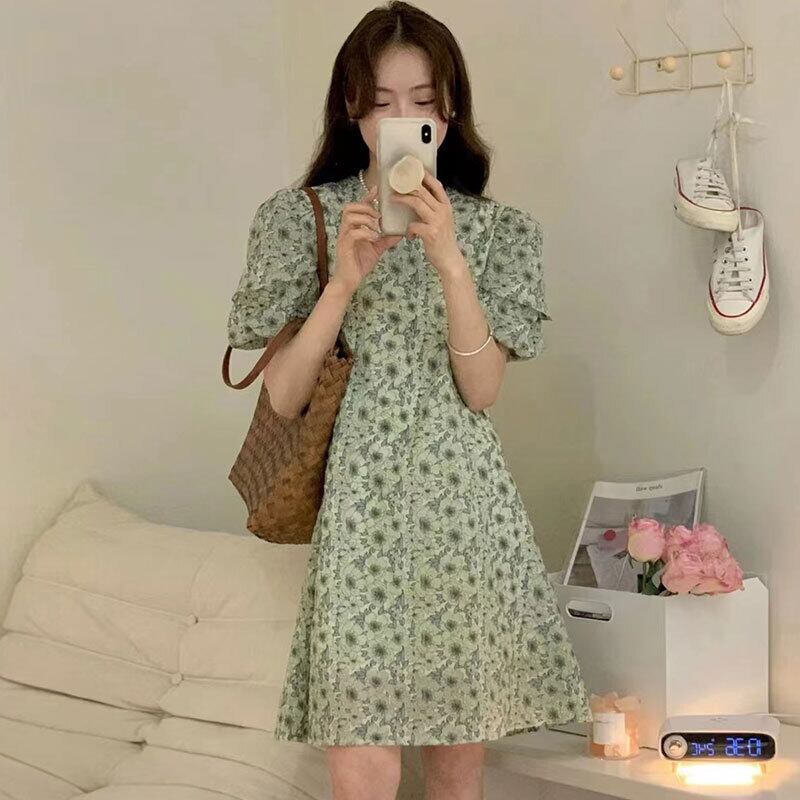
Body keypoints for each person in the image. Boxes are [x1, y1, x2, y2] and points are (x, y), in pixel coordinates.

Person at [226, 2, 592, 797]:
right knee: (361, 760)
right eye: (382, 102)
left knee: (456, 769)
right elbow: (284, 398)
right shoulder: (300, 218)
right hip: (358, 514)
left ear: (450, 108)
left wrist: (451, 261)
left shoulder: (499, 232)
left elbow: (481, 390)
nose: (402, 121)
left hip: (465, 513)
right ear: (350, 107)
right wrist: (342, 285)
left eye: (422, 102)